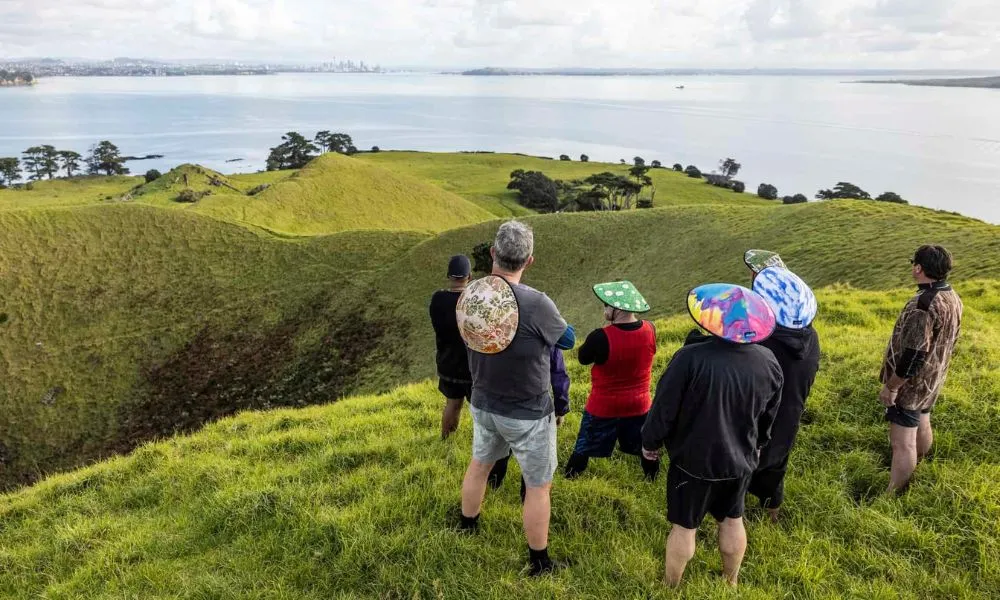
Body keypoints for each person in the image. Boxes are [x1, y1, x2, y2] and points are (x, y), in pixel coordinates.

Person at [642, 285, 783, 587]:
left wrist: (649, 444)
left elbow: (663, 410)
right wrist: (758, 445)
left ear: (712, 319)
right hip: (741, 459)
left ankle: (671, 586)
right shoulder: (769, 361)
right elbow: (769, 414)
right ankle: (730, 581)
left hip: (693, 462)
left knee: (684, 527)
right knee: (733, 519)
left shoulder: (689, 358)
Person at [458, 220, 575, 576]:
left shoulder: (471, 293)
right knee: (539, 486)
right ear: (529, 261)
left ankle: (467, 525)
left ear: (493, 253)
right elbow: (566, 339)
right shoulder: (537, 303)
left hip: (482, 401)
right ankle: (539, 562)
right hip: (527, 410)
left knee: (480, 464)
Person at [880, 245, 962, 492]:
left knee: (902, 443)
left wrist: (892, 387)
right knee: (922, 418)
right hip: (934, 378)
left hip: (912, 383)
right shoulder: (952, 295)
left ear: (919, 268)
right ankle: (920, 464)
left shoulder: (923, 305)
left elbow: (914, 353)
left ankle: (894, 494)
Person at [747, 266, 821, 523]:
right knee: (777, 465)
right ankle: (772, 514)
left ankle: (730, 518)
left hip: (755, 421)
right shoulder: (811, 339)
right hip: (789, 416)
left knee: (741, 467)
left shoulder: (761, 345)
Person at [564, 281, 659, 480]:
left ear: (616, 308)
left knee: (584, 445)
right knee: (646, 447)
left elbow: (583, 359)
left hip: (604, 406)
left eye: (606, 305)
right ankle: (652, 478)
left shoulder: (600, 337)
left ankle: (570, 477)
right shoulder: (650, 330)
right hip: (639, 404)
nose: (604, 309)